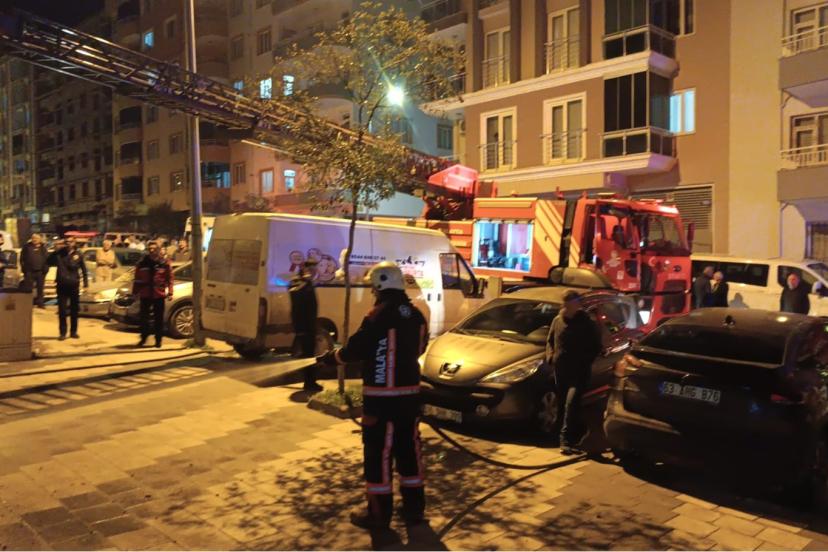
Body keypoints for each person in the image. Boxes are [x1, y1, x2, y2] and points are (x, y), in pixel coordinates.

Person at [319, 261, 428, 530]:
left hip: (381, 401)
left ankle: (378, 515)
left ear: (380, 285)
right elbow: (420, 348)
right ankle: (414, 510)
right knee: (409, 453)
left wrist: (332, 357)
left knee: (378, 456)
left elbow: (356, 349)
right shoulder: (416, 316)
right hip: (409, 398)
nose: (372, 292)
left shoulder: (377, 316)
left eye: (373, 287)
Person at [546, 290, 602, 455]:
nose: (566, 307)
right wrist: (551, 356)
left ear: (577, 305)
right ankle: (575, 431)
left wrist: (585, 360)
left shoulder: (587, 323)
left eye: (570, 304)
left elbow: (596, 346)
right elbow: (550, 340)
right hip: (561, 370)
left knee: (571, 404)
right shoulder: (557, 320)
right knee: (563, 404)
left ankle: (566, 440)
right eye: (565, 304)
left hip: (579, 371)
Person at [133, 241, 174, 348]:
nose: (151, 250)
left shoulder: (164, 263)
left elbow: (170, 278)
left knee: (158, 319)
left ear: (158, 250)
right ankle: (143, 338)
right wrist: (135, 292)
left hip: (158, 294)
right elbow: (137, 279)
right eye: (150, 248)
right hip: (145, 294)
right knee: (143, 319)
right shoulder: (142, 263)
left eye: (154, 249)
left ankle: (158, 340)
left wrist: (170, 292)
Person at [289, 260, 322, 392]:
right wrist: (305, 280)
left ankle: (310, 381)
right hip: (304, 326)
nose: (314, 272)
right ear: (305, 269)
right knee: (308, 355)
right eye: (312, 269)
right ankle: (309, 383)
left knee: (309, 353)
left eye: (315, 269)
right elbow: (297, 300)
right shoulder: (299, 283)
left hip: (309, 325)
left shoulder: (307, 283)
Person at [48, 238, 88, 340]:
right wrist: (55, 250)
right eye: (67, 242)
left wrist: (86, 284)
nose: (68, 243)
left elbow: (84, 270)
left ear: (74, 243)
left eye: (70, 242)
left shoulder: (78, 254)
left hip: (73, 284)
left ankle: (73, 332)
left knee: (74, 310)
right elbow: (49, 261)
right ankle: (63, 332)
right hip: (62, 284)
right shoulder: (60, 253)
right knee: (62, 310)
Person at [20, 233, 48, 308]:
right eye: (33, 238)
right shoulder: (26, 247)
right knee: (28, 288)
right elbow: (22, 259)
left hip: (40, 272)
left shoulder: (43, 248)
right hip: (29, 272)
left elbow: (47, 259)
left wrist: (45, 269)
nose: (35, 239)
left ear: (40, 239)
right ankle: (28, 303)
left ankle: (40, 303)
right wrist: (24, 269)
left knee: (40, 289)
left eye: (37, 238)